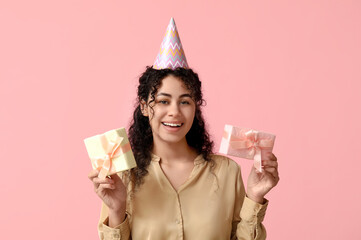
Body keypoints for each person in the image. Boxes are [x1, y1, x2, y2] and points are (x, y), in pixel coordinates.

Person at [88, 18, 279, 240]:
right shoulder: (122, 177)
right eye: (163, 101)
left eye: (185, 101)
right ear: (144, 107)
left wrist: (254, 196)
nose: (175, 112)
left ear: (195, 107)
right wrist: (116, 209)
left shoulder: (227, 172)